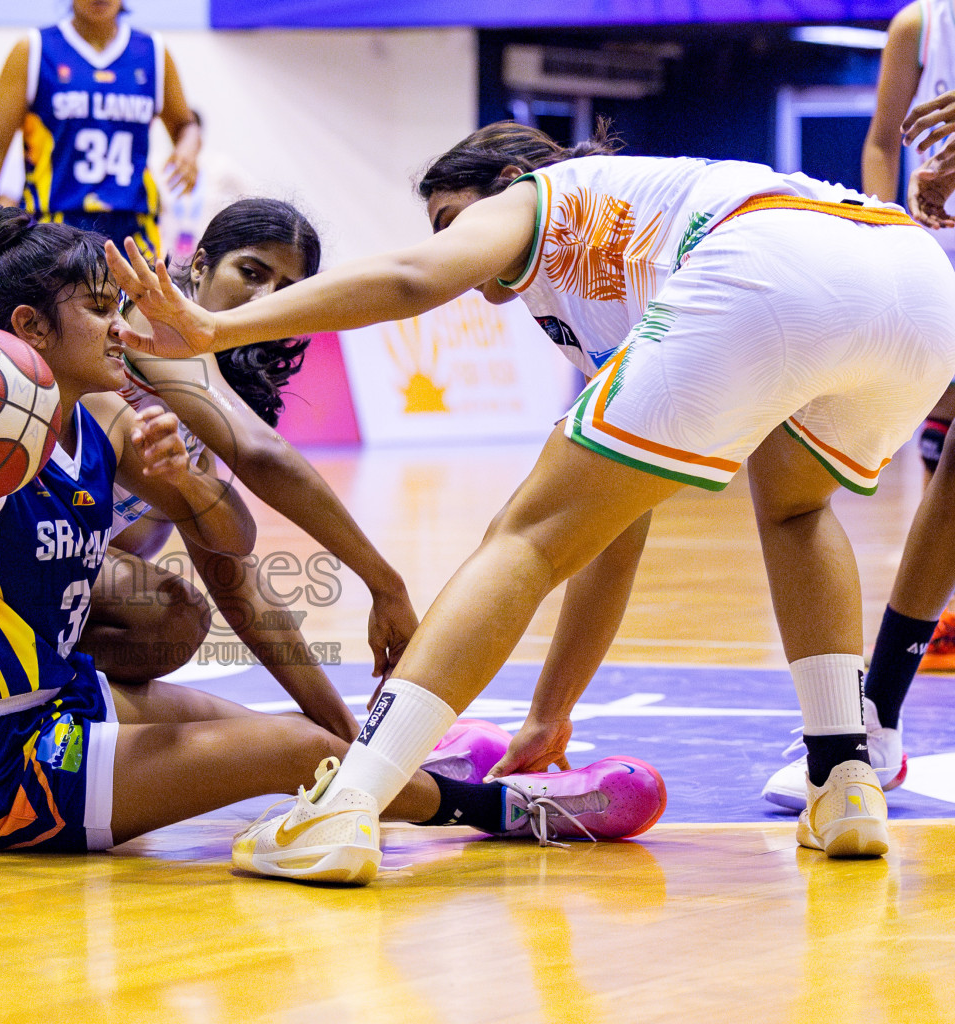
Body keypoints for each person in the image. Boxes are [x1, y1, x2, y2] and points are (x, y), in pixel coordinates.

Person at [107, 120, 955, 877]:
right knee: (798, 511)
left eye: (454, 219)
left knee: (519, 538)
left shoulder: (543, 198)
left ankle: (348, 802)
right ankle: (845, 781)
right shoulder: (619, 270)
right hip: (914, 280)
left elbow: (411, 279)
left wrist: (216, 329)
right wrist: (552, 716)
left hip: (774, 262)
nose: (457, 249)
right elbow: (611, 538)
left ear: (505, 189)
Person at [0, 205, 665, 860]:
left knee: (252, 699)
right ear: (31, 325)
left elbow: (231, 545)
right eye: (101, 311)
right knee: (306, 760)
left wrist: (188, 488)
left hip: (60, 705)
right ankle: (511, 810)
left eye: (119, 307)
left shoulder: (105, 416)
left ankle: (391, 761)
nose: (120, 327)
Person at [0, 200, 424, 821]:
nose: (265, 298)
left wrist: (342, 729)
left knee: (166, 611)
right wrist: (385, 583)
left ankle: (3, 697)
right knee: (135, 568)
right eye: (253, 272)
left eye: (289, 289)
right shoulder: (133, 318)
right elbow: (266, 459)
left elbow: (227, 567)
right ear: (200, 266)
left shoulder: (207, 374)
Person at [754, 0, 955, 809]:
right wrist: (892, 225)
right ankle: (877, 716)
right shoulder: (924, 25)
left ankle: (877, 716)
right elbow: (883, 140)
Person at [0, 0, 201, 264]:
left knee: (140, 305)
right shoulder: (33, 49)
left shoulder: (153, 51)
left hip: (133, 227)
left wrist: (188, 146)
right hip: (54, 225)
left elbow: (186, 124)